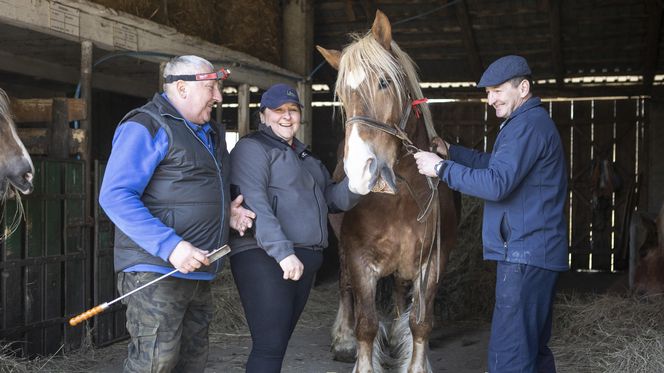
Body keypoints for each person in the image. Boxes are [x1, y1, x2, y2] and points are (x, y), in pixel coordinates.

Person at [99, 55, 255, 372]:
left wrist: (226, 214)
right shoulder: (147, 125)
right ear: (181, 88)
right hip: (157, 270)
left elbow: (186, 191)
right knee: (156, 363)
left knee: (192, 362)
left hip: (198, 269)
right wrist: (171, 246)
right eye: (211, 87)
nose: (217, 96)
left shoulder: (209, 132)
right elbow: (115, 195)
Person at [414, 55, 568, 373]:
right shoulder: (527, 124)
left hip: (524, 256)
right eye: (487, 93)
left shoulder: (526, 126)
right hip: (535, 253)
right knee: (533, 351)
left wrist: (440, 167)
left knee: (509, 356)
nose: (490, 99)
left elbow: (497, 184)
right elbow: (495, 165)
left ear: (523, 88)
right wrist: (452, 152)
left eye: (497, 90)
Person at [229, 83, 361, 372]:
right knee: (268, 347)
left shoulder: (306, 158)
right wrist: (282, 252)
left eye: (293, 110)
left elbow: (331, 199)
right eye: (278, 111)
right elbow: (255, 205)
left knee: (276, 346)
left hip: (303, 261)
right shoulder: (253, 149)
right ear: (263, 116)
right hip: (265, 257)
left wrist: (358, 186)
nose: (287, 116)